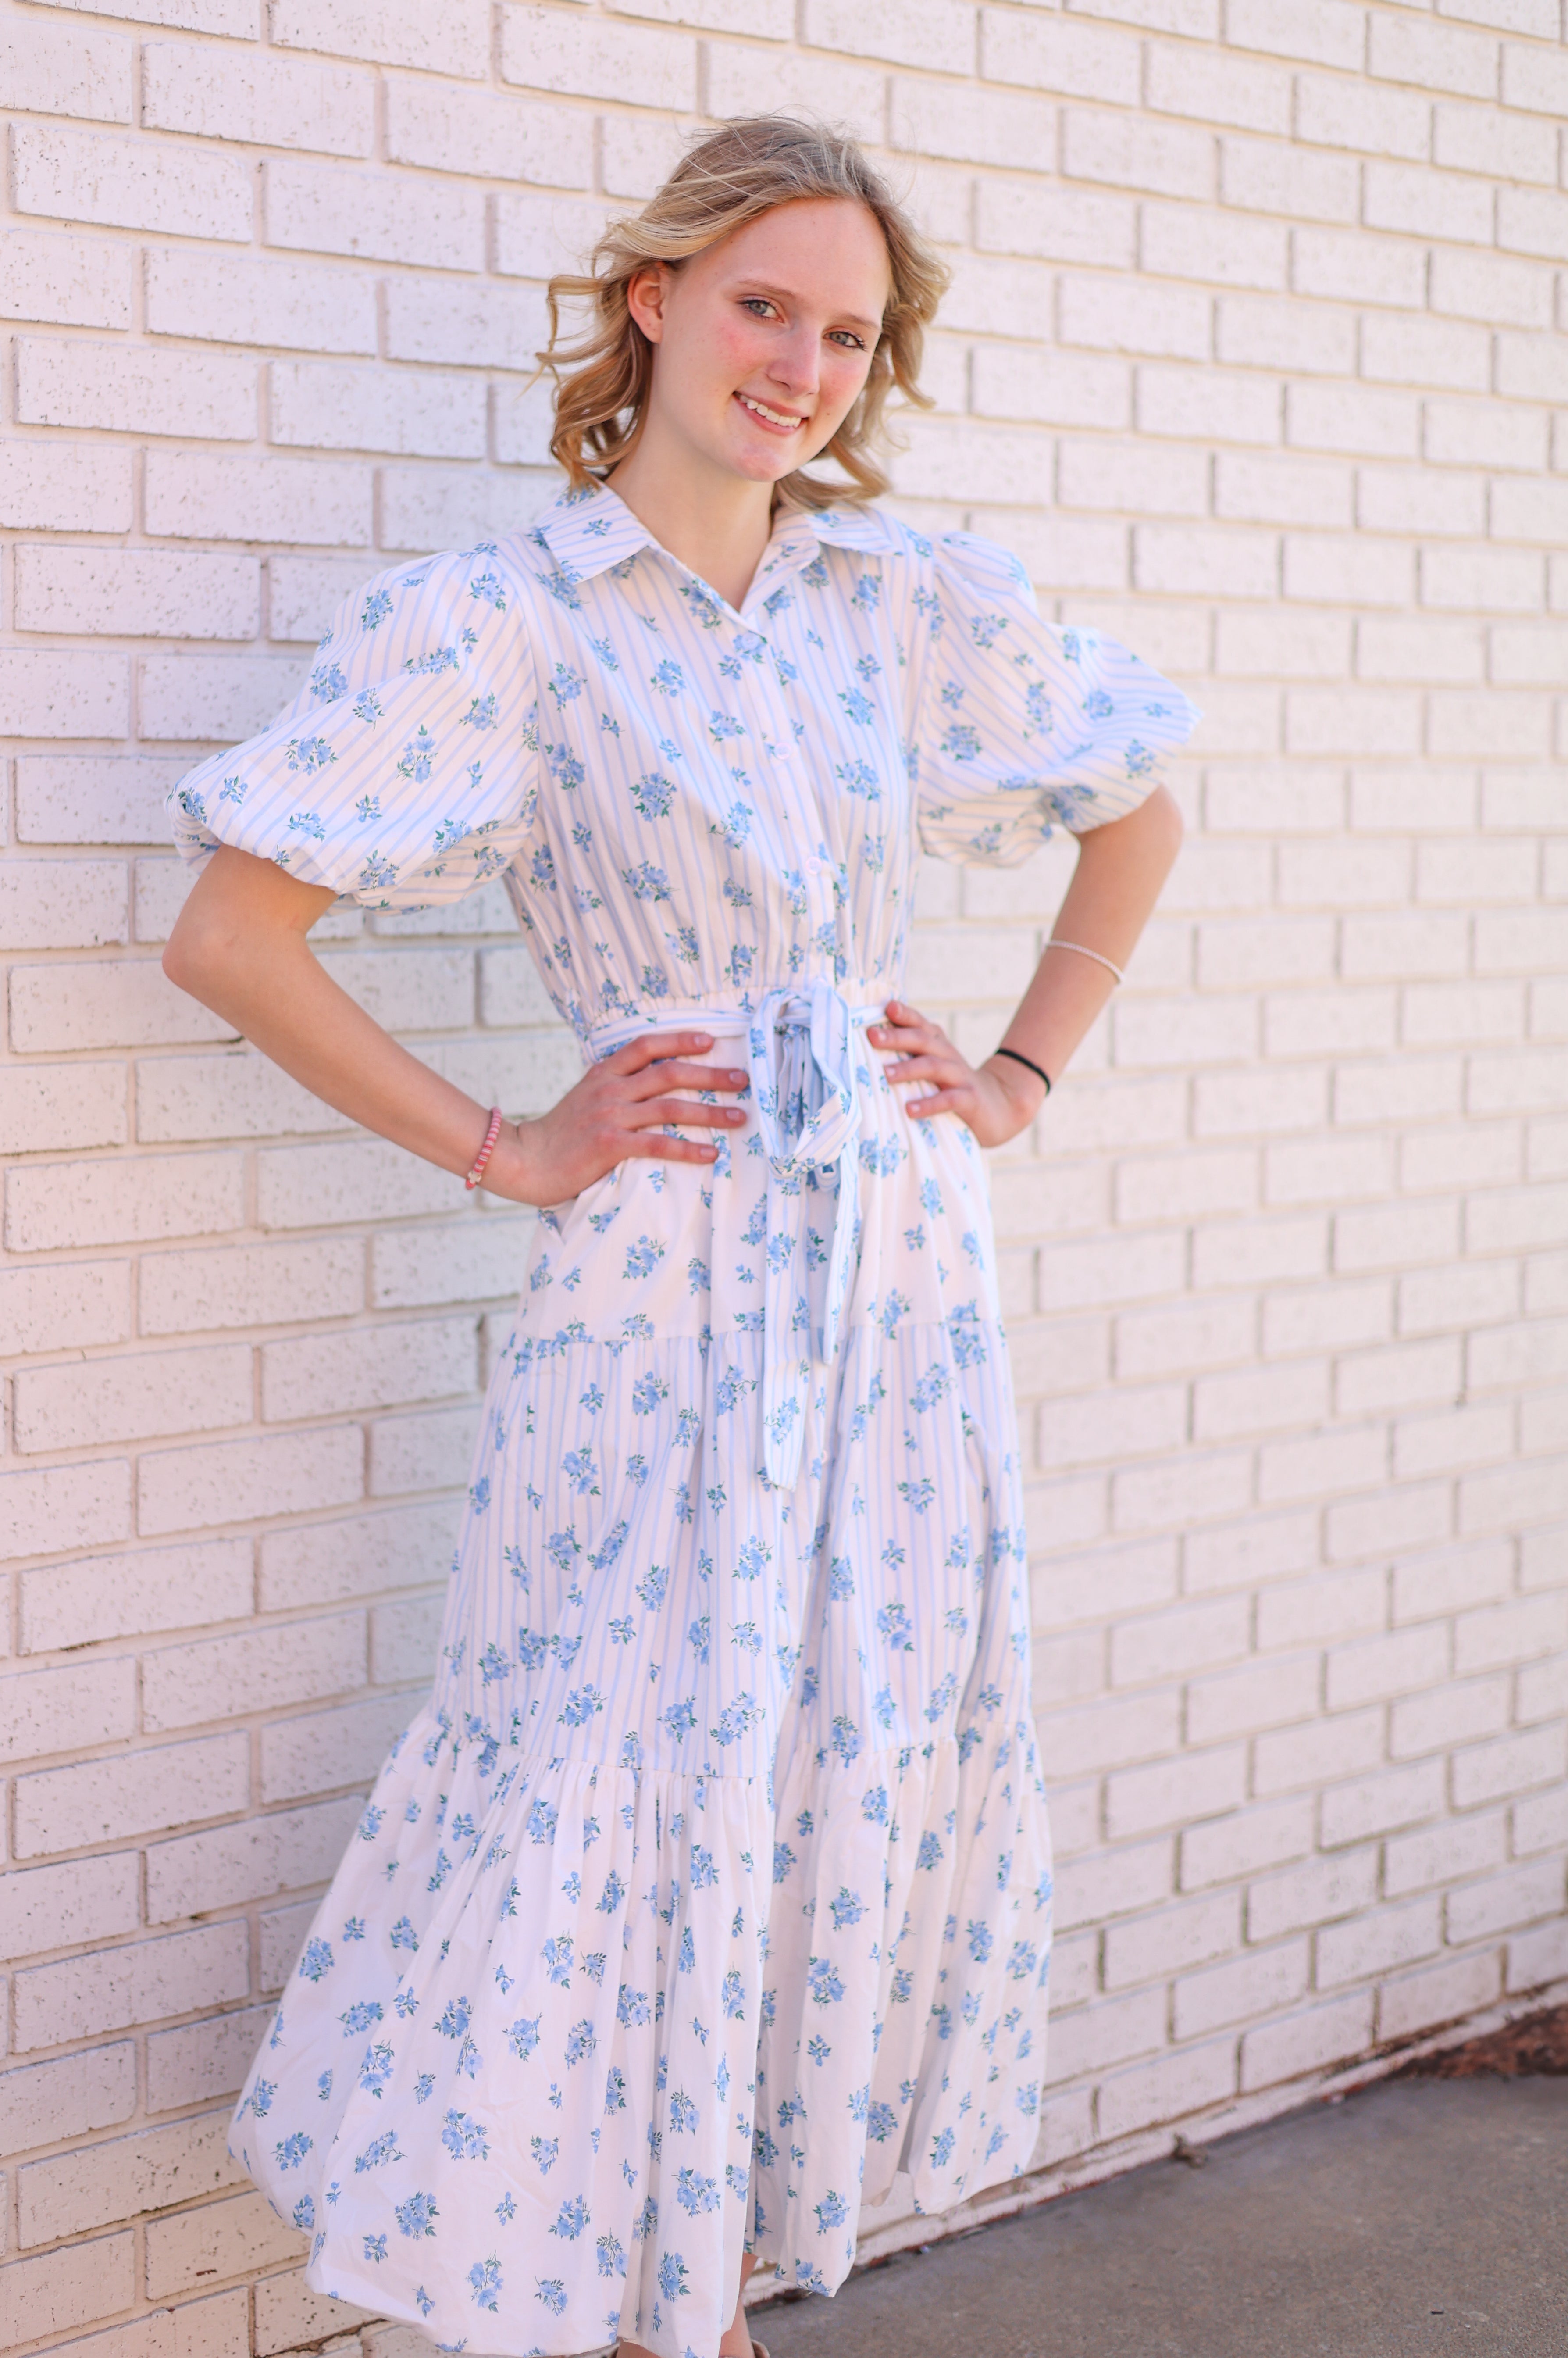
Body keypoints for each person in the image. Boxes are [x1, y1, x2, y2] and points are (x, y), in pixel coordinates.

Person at [164, 114, 1195, 2358]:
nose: (805, 364)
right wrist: (505, 1146)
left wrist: (1016, 1077)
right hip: (664, 1274)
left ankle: (701, 2292)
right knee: (620, 1744)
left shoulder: (899, 599)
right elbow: (235, 936)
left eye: (848, 331)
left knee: (837, 1738)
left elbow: (1142, 811)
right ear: (655, 299)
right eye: (765, 306)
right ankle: (619, 2301)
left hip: (901, 1279)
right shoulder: (502, 622)